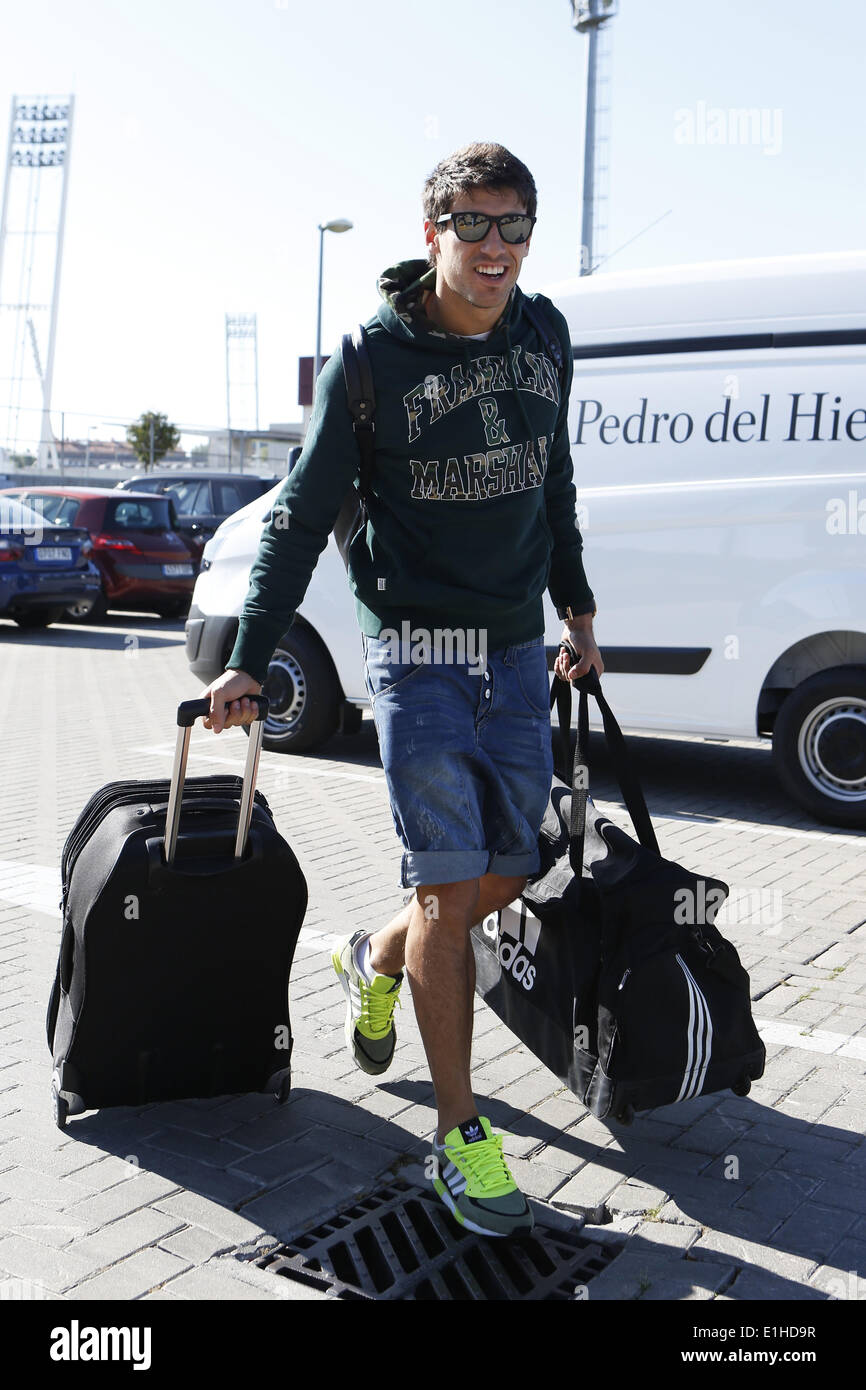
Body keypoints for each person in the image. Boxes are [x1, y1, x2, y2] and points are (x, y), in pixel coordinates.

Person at [201, 142, 603, 1239]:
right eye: (472, 225)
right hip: (417, 656)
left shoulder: (543, 335)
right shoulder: (370, 364)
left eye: (513, 226)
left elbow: (551, 481)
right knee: (444, 887)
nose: (495, 249)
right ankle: (458, 1138)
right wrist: (249, 650)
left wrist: (576, 609)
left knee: (507, 871)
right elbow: (294, 515)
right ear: (430, 232)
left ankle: (367, 959)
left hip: (518, 652)